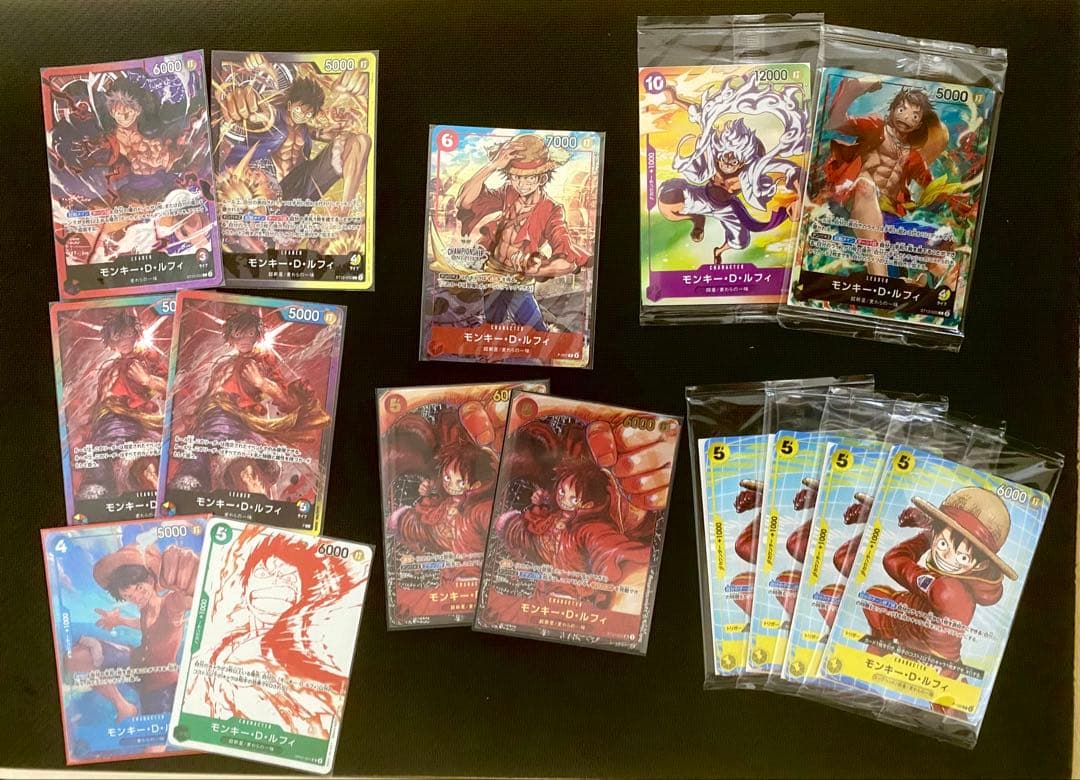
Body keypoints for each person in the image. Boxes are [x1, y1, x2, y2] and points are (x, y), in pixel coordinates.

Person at [456, 134, 589, 330]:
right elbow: (465, 200)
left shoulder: (551, 210)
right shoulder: (507, 193)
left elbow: (567, 260)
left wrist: (538, 270)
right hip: (491, 276)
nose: (521, 183)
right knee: (491, 327)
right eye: (516, 176)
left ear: (542, 177)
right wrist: (493, 166)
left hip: (518, 281)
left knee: (537, 332)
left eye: (529, 178)